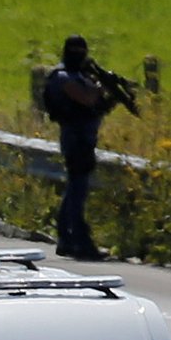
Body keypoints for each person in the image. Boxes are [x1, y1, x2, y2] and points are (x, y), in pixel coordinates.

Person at [44, 35, 113, 261]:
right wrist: (99, 86)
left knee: (75, 187)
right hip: (75, 139)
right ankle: (79, 241)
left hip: (85, 137)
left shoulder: (78, 75)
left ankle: (66, 237)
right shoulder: (62, 76)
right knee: (78, 189)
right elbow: (86, 98)